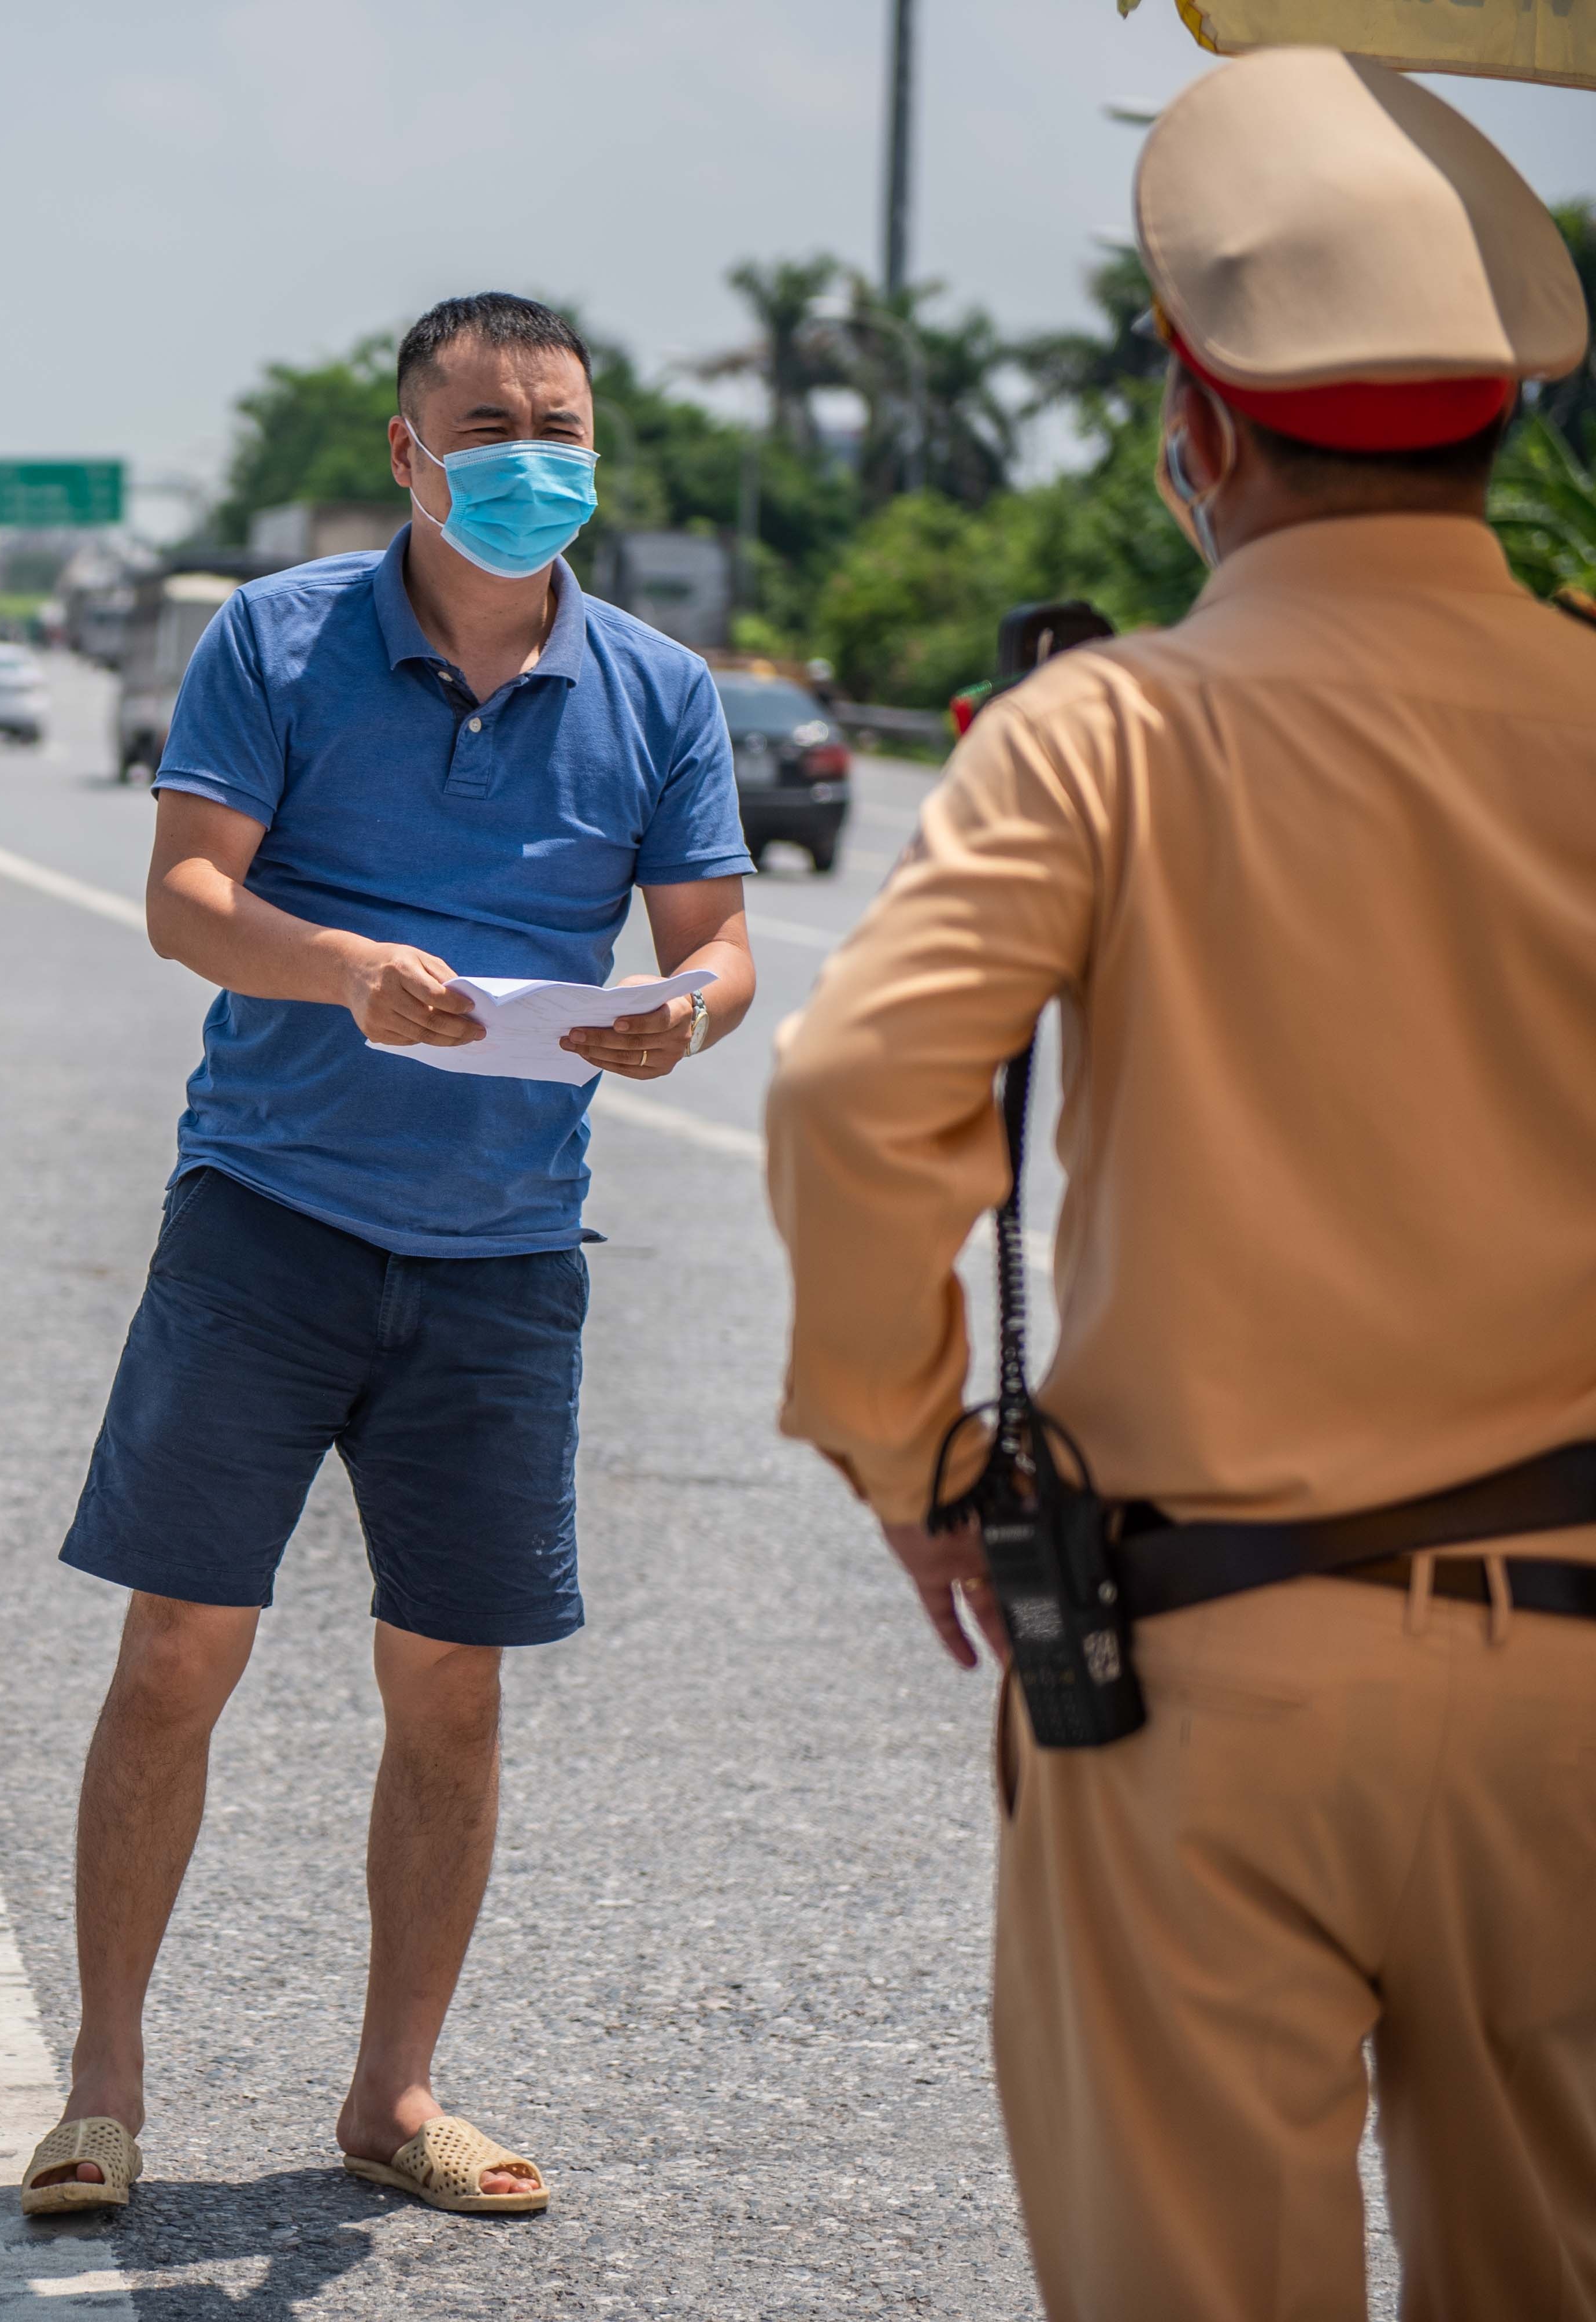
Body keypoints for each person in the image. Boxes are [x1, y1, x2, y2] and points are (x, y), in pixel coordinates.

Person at [761, 49, 1595, 2322]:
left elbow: (853, 1096)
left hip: (1206, 1668)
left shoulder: (1110, 730)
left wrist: (910, 1447)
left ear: (1199, 429)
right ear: (1504, 424)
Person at [18, 292, 758, 2220]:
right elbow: (188, 898)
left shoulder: (662, 692)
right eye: (497, 423)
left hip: (508, 1260)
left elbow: (719, 942)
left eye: (566, 423)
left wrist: (687, 1009)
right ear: (411, 454)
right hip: (269, 1222)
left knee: (452, 1688)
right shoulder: (274, 640)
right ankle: (103, 2085)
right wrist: (346, 973)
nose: (538, 456)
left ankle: (396, 2094)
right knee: (182, 1649)